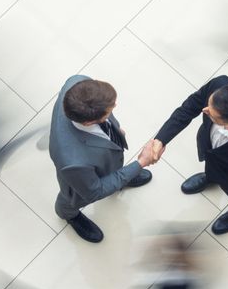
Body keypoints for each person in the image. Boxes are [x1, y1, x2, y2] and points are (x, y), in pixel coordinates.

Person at [151, 40, 228, 235]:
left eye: (211, 114)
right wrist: (161, 139)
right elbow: (189, 107)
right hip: (213, 153)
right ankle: (211, 177)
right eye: (208, 105)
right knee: (212, 166)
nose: (204, 110)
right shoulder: (220, 85)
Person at [49, 75, 157, 243]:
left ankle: (120, 178)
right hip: (80, 181)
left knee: (107, 165)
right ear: (89, 122)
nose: (114, 108)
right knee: (71, 197)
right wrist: (141, 162)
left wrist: (115, 128)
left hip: (100, 159)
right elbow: (95, 190)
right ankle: (68, 215)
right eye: (110, 110)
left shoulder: (77, 82)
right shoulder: (73, 162)